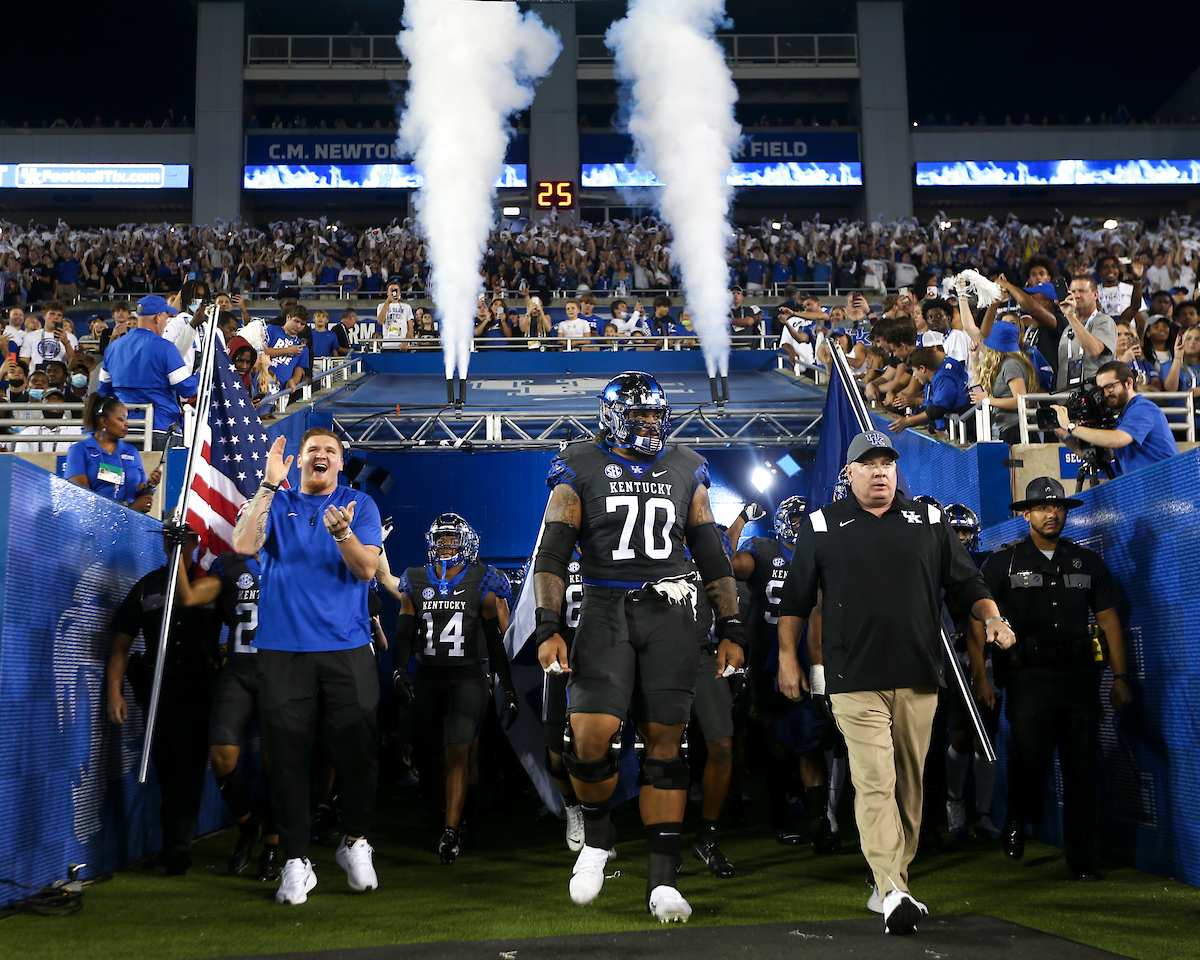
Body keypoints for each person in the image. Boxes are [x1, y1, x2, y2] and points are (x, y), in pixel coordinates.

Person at [776, 431, 1014, 935]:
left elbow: (968, 583)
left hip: (919, 675)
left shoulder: (929, 521)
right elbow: (795, 602)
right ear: (849, 474)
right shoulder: (821, 526)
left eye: (887, 462)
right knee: (874, 779)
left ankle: (890, 881)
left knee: (909, 783)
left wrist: (992, 617)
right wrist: (787, 660)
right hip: (853, 678)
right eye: (869, 463)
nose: (880, 471)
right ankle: (892, 888)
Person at [531, 371, 745, 923]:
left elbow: (710, 550)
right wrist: (549, 623)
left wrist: (731, 625)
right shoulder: (578, 463)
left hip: (671, 610)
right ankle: (599, 837)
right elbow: (554, 552)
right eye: (639, 415)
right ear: (611, 416)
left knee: (665, 745)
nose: (650, 423)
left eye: (656, 415)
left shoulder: (686, 465)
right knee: (591, 733)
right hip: (604, 606)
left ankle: (663, 881)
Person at [231, 428, 384, 905]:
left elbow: (365, 570)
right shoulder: (275, 500)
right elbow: (242, 544)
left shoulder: (361, 504)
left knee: (357, 753)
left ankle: (355, 841)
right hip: (283, 650)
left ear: (341, 462)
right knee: (288, 760)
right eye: (313, 450)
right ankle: (296, 861)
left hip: (346, 646)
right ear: (299, 461)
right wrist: (266, 486)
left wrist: (342, 534)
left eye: (331, 451)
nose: (321, 455)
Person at [982, 477, 1133, 880]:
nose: (1053, 513)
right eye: (1044, 507)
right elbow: (977, 618)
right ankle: (1016, 817)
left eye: (1059, 507)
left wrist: (1121, 676)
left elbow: (1108, 620)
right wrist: (981, 678)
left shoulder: (1087, 562)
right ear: (1026, 514)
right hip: (1027, 678)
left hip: (1079, 680)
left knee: (1082, 770)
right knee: (1030, 759)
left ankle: (1081, 860)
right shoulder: (1003, 563)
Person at [381, 513, 516, 865]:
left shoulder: (482, 580)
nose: (446, 546)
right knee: (433, 756)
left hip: (467, 678)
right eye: (440, 540)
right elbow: (405, 633)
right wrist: (398, 670)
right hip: (428, 678)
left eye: (452, 540)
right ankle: (455, 813)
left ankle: (452, 829)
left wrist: (508, 685)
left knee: (459, 752)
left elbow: (495, 639)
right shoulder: (414, 579)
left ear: (466, 544)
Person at [106, 526, 223, 874]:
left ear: (197, 540)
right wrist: (114, 691)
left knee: (188, 765)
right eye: (170, 536)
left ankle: (177, 845)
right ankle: (174, 842)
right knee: (165, 764)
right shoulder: (146, 586)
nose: (176, 542)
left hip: (200, 687)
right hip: (159, 690)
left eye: (184, 537)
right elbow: (120, 647)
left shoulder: (214, 583)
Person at [731, 496, 841, 850]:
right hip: (769, 658)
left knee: (815, 741)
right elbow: (724, 563)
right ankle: (780, 817)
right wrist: (738, 521)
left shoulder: (824, 553)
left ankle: (822, 818)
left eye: (804, 520)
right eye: (794, 520)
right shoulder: (764, 551)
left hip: (818, 656)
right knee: (775, 743)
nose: (799, 526)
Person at [175, 543, 281, 881]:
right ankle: (248, 826)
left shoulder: (295, 560)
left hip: (280, 674)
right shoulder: (232, 565)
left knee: (276, 763)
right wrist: (176, 556)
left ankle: (274, 844)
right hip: (238, 671)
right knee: (221, 755)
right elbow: (190, 597)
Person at [97, 295, 199, 442]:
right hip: (160, 428)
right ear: (158, 318)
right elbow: (186, 388)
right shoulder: (165, 348)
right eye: (165, 317)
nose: (165, 323)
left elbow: (104, 391)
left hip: (122, 431)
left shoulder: (113, 347)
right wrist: (200, 375)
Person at [1051, 361, 1178, 475]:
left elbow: (1117, 440)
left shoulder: (1143, 408)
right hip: (1142, 492)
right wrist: (1066, 437)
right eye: (1101, 389)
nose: (1105, 394)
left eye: (1109, 386)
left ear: (1128, 383)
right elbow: (1105, 457)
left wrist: (1070, 426)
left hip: (1164, 490)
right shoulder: (1123, 416)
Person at [64, 394, 160, 512]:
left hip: (131, 524)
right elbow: (82, 497)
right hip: (95, 525)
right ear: (104, 422)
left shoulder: (131, 451)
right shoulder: (79, 450)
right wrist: (129, 507)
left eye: (126, 419)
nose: (127, 423)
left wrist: (150, 485)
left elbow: (141, 492)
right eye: (121, 419)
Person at [888, 345, 971, 435]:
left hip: (963, 432)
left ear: (922, 368)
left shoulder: (944, 378)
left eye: (914, 370)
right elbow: (931, 404)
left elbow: (937, 409)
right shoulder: (933, 379)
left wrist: (910, 421)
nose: (914, 375)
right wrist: (915, 419)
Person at [1056, 275, 1117, 391]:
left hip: (1095, 397)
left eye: (1082, 291)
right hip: (1066, 398)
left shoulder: (1103, 321)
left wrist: (1070, 316)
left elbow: (1093, 350)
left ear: (1095, 295)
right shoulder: (1067, 328)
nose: (1077, 295)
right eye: (1073, 291)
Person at [376, 282, 413, 350]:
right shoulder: (381, 306)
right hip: (387, 344)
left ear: (400, 292)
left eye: (396, 290)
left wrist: (406, 342)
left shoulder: (406, 307)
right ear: (387, 292)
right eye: (391, 290)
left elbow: (410, 328)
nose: (394, 292)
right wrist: (387, 301)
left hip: (402, 345)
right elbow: (380, 321)